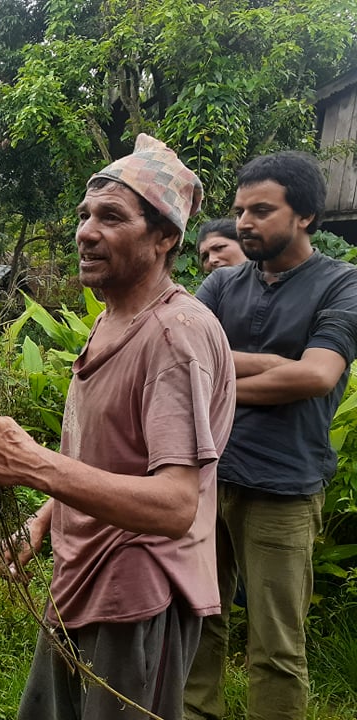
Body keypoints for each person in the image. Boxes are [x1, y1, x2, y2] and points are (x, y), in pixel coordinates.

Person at [0, 134, 236, 720]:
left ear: (165, 238)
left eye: (112, 216)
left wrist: (30, 463)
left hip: (138, 593)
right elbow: (110, 454)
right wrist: (42, 521)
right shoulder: (113, 315)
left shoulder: (174, 336)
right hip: (81, 571)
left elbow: (174, 505)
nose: (86, 230)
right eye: (85, 215)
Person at [184, 152, 357, 720]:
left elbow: (316, 375)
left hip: (283, 484)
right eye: (239, 211)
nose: (244, 224)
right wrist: (273, 365)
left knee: (276, 646)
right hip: (207, 478)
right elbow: (179, 358)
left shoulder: (341, 284)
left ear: (305, 214)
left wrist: (219, 371)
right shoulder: (222, 284)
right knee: (198, 622)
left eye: (262, 210)